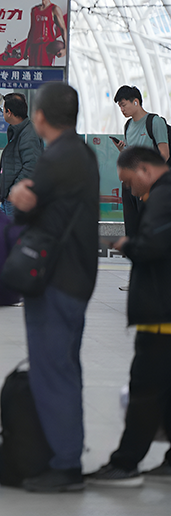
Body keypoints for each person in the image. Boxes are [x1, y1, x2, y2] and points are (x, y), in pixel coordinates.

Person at [9, 82, 99, 492]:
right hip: (78, 276)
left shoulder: (55, 157)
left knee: (52, 370)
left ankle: (64, 465)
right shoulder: (83, 153)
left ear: (40, 117)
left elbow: (27, 208)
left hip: (54, 279)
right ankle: (67, 452)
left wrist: (17, 195)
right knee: (67, 367)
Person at [86, 147, 171, 487]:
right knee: (164, 390)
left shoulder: (163, 198)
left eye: (129, 182)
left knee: (145, 388)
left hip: (161, 311)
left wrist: (126, 243)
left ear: (145, 169)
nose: (131, 191)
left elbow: (153, 245)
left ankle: (126, 462)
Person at [112, 85, 170, 237]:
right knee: (132, 225)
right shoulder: (128, 126)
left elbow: (164, 154)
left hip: (147, 183)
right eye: (120, 107)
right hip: (131, 182)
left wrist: (148, 181)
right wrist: (122, 151)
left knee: (147, 225)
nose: (122, 110)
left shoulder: (155, 122)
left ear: (136, 102)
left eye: (123, 105)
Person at [0, 93, 43, 217]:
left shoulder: (28, 135)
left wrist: (13, 191)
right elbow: (16, 164)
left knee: (14, 235)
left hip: (17, 201)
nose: (2, 112)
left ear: (9, 112)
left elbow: (31, 167)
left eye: (2, 109)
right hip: (10, 200)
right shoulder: (18, 130)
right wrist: (3, 180)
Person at [23, 0, 67, 67]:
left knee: (45, 74)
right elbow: (32, 30)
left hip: (46, 47)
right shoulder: (34, 10)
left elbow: (63, 29)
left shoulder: (54, 9)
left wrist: (65, 49)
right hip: (34, 47)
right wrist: (26, 49)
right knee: (33, 74)